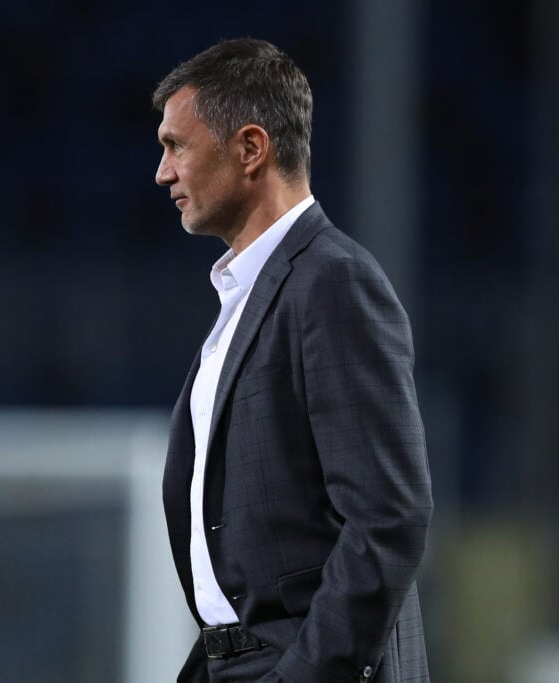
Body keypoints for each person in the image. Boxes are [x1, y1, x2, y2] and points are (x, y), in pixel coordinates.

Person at [153, 39, 433, 682]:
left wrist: (310, 672)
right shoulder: (247, 296)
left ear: (251, 149)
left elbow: (389, 515)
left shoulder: (332, 283)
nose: (162, 172)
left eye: (176, 146)